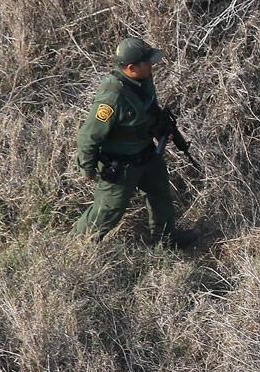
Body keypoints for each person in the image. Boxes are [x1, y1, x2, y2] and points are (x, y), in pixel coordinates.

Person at [73, 37, 197, 246]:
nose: (152, 65)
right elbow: (89, 136)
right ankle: (76, 248)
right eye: (147, 62)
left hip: (146, 153)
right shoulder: (112, 96)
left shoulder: (143, 80)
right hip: (121, 164)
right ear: (131, 68)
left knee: (160, 197)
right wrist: (88, 168)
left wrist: (161, 127)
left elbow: (148, 109)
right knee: (108, 210)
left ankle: (164, 242)